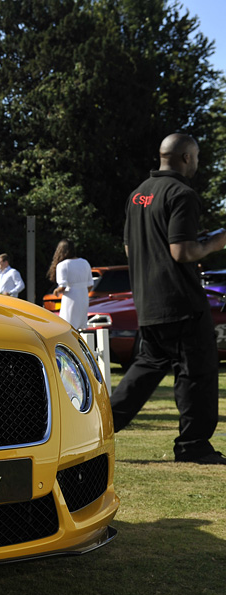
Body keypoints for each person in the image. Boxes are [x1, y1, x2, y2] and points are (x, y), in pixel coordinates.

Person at [110, 132, 226, 465]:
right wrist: (216, 243)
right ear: (186, 158)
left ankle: (100, 427)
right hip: (181, 302)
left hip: (148, 301)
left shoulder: (138, 195)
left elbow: (131, 249)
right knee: (197, 373)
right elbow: (183, 251)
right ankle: (194, 447)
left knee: (145, 369)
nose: (198, 164)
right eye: (198, 157)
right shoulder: (182, 193)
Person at [46, 239, 92, 329]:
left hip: (71, 297)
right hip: (83, 297)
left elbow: (62, 286)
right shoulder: (85, 262)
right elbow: (90, 285)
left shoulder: (63, 265)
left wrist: (56, 291)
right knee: (82, 325)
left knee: (68, 324)